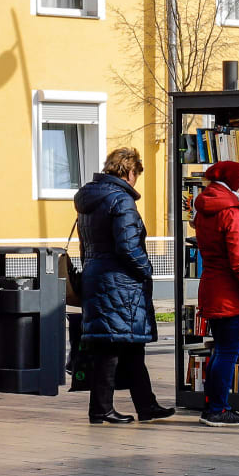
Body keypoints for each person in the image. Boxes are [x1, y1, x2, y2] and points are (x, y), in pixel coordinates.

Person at [75, 148, 175, 425]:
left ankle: (146, 405)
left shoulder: (90, 200)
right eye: (137, 175)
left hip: (97, 276)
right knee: (111, 348)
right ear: (130, 172)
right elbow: (128, 247)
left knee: (130, 347)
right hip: (121, 283)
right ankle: (101, 409)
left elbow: (87, 246)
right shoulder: (121, 201)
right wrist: (146, 270)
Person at [191, 160, 239, 427]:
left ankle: (213, 406)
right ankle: (218, 409)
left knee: (220, 351)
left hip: (213, 288)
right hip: (232, 294)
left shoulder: (205, 210)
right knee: (227, 353)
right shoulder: (232, 213)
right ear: (235, 183)